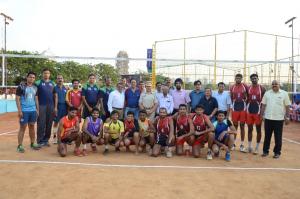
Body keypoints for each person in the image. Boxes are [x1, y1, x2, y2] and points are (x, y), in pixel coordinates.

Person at [260, 80, 291, 159]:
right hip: (268, 118)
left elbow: (287, 106)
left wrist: (287, 117)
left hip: (279, 119)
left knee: (278, 137)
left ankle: (277, 152)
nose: (274, 85)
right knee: (267, 136)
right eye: (273, 84)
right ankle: (265, 151)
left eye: (276, 84)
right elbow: (263, 105)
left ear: (279, 85)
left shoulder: (284, 93)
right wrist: (261, 114)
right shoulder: (267, 93)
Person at [15, 71, 41, 153]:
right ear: (27, 77)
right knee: (23, 127)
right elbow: (17, 99)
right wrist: (19, 110)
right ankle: (19, 145)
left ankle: (32, 143)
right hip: (24, 111)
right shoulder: (21, 86)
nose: (32, 79)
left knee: (32, 126)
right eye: (30, 77)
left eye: (33, 77)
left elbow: (36, 98)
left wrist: (37, 109)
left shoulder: (35, 87)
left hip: (33, 110)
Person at [246, 74, 266, 154]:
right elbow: (247, 98)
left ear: (258, 78)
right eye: (252, 78)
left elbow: (265, 101)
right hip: (249, 110)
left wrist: (263, 113)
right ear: (250, 79)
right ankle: (249, 146)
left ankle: (257, 148)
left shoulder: (262, 88)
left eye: (255, 78)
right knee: (250, 129)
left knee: (258, 129)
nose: (254, 79)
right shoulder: (248, 88)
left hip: (258, 111)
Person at [36, 68, 55, 146]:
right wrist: (37, 107)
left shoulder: (52, 83)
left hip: (50, 106)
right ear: (42, 74)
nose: (46, 74)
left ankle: (46, 140)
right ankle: (40, 141)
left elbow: (55, 95)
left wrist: (55, 106)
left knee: (49, 123)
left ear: (49, 74)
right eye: (45, 73)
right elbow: (36, 96)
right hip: (41, 106)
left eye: (48, 73)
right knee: (41, 123)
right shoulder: (38, 82)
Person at [229, 73, 248, 152]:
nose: (238, 79)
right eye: (237, 78)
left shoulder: (245, 86)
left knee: (242, 126)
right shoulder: (232, 87)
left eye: (239, 78)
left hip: (242, 108)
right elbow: (230, 97)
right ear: (235, 79)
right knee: (235, 126)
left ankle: (242, 144)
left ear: (241, 79)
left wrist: (246, 104)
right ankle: (233, 143)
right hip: (235, 107)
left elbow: (248, 96)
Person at [52, 75, 68, 144]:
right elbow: (56, 98)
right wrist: (55, 108)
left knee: (64, 122)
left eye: (61, 78)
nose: (60, 80)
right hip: (58, 106)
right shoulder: (55, 88)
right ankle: (55, 138)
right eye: (58, 78)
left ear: (63, 79)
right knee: (56, 122)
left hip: (65, 107)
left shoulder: (66, 88)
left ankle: (63, 137)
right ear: (56, 80)